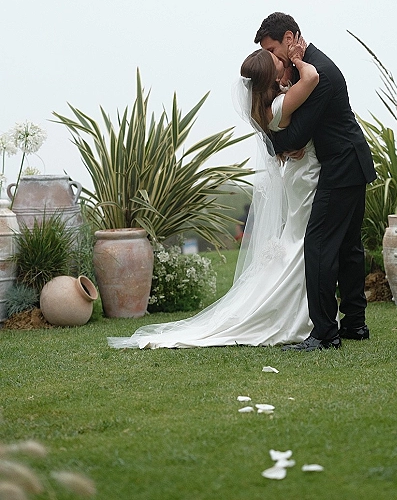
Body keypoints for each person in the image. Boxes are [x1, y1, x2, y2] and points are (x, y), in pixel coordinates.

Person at [107, 40, 320, 349]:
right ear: (271, 79)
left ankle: (304, 308)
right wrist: (300, 60)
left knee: (297, 239)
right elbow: (312, 78)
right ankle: (297, 313)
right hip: (304, 179)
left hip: (299, 175)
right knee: (300, 241)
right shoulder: (277, 106)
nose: (282, 61)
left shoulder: (266, 105)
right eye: (277, 64)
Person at [254, 12, 377, 351]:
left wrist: (275, 146)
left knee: (318, 244)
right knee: (349, 248)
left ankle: (325, 333)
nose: (273, 59)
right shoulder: (305, 68)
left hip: (341, 168)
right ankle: (355, 324)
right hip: (350, 163)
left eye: (274, 50)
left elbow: (297, 134)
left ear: (291, 38)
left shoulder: (317, 72)